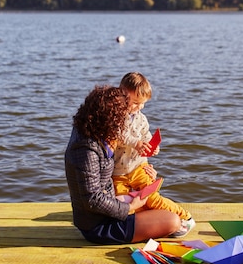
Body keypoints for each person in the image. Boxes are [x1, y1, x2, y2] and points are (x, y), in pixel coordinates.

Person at [65, 85, 181, 245]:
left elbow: (113, 172)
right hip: (99, 226)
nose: (122, 126)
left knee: (158, 206)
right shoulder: (86, 149)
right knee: (172, 221)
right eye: (120, 120)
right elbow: (92, 199)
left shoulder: (92, 131)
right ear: (108, 119)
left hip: (112, 204)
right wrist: (129, 207)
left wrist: (143, 169)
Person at [113, 72, 195, 237]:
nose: (139, 107)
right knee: (122, 205)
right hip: (118, 173)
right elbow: (119, 134)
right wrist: (136, 143)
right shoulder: (115, 117)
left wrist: (152, 146)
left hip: (138, 166)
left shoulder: (141, 118)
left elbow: (146, 136)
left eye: (142, 103)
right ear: (122, 95)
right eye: (135, 103)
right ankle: (152, 222)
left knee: (151, 197)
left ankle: (184, 216)